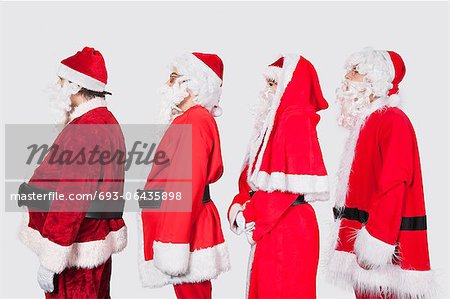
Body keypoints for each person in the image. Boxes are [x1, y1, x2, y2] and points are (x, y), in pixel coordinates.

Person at [18, 47, 127, 298]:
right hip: (93, 244)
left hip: (74, 253)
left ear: (76, 87)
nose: (57, 86)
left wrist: (51, 261)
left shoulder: (86, 129)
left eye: (61, 81)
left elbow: (71, 197)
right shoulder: (106, 121)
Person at [327, 47, 435, 299]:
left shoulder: (392, 120)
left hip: (383, 251)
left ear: (375, 79)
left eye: (355, 71)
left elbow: (394, 184)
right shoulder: (367, 124)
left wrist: (376, 243)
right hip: (364, 251)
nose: (346, 77)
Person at [228, 54, 329, 298]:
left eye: (274, 84)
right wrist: (239, 205)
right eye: (268, 84)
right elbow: (254, 181)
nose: (267, 91)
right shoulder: (276, 124)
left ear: (290, 87)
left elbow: (286, 190)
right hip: (277, 225)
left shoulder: (295, 121)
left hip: (287, 227)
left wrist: (249, 214)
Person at [138, 52, 230, 299]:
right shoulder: (188, 120)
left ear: (192, 85)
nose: (167, 85)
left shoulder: (195, 121)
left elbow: (186, 186)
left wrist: (173, 244)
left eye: (173, 78)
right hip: (184, 226)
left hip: (188, 229)